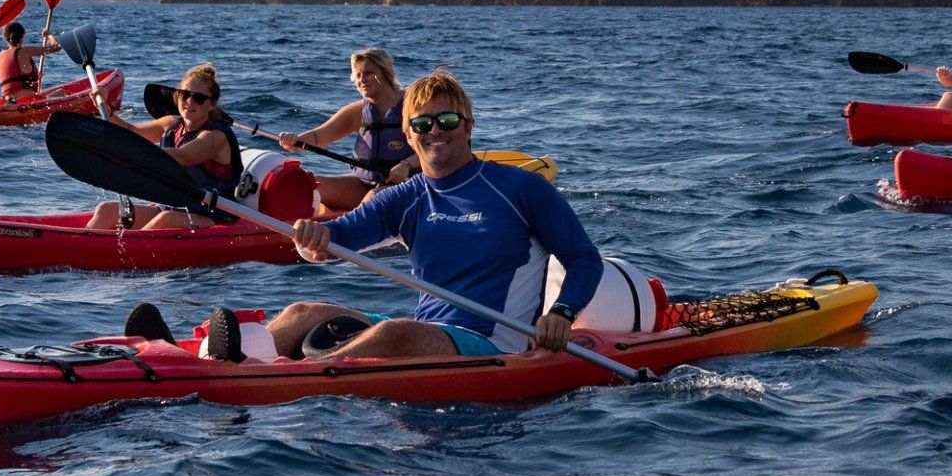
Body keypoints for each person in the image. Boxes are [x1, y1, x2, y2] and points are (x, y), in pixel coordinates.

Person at [129, 70, 602, 361]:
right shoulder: (409, 195)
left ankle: (273, 378)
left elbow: (584, 259)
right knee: (302, 312)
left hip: (496, 343)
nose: (435, 131)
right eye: (422, 125)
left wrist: (562, 311)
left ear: (469, 127)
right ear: (410, 138)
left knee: (395, 332)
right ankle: (209, 362)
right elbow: (345, 233)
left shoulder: (519, 188)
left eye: (448, 121)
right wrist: (312, 235)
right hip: (432, 333)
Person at [86, 63, 243, 230]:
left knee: (167, 219)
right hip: (176, 208)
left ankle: (125, 251)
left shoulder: (214, 137)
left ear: (211, 104)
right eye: (185, 94)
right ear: (177, 96)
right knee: (105, 211)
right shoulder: (172, 124)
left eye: (198, 98)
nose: (189, 101)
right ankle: (82, 248)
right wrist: (106, 110)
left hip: (212, 216)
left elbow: (181, 156)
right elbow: (131, 131)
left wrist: (134, 155)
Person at [277, 48, 418, 214]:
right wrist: (295, 140)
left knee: (373, 199)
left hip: (410, 186)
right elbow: (318, 137)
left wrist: (406, 165)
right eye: (357, 76)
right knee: (311, 186)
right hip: (366, 184)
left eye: (368, 73)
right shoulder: (357, 112)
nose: (361, 80)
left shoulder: (414, 107)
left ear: (386, 73)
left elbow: (436, 149)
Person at [0, 21, 61, 104]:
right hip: (27, 102)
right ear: (22, 38)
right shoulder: (24, 51)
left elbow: (16, 77)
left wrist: (36, 78)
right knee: (61, 92)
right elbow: (56, 47)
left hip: (9, 102)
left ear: (6, 39)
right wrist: (49, 35)